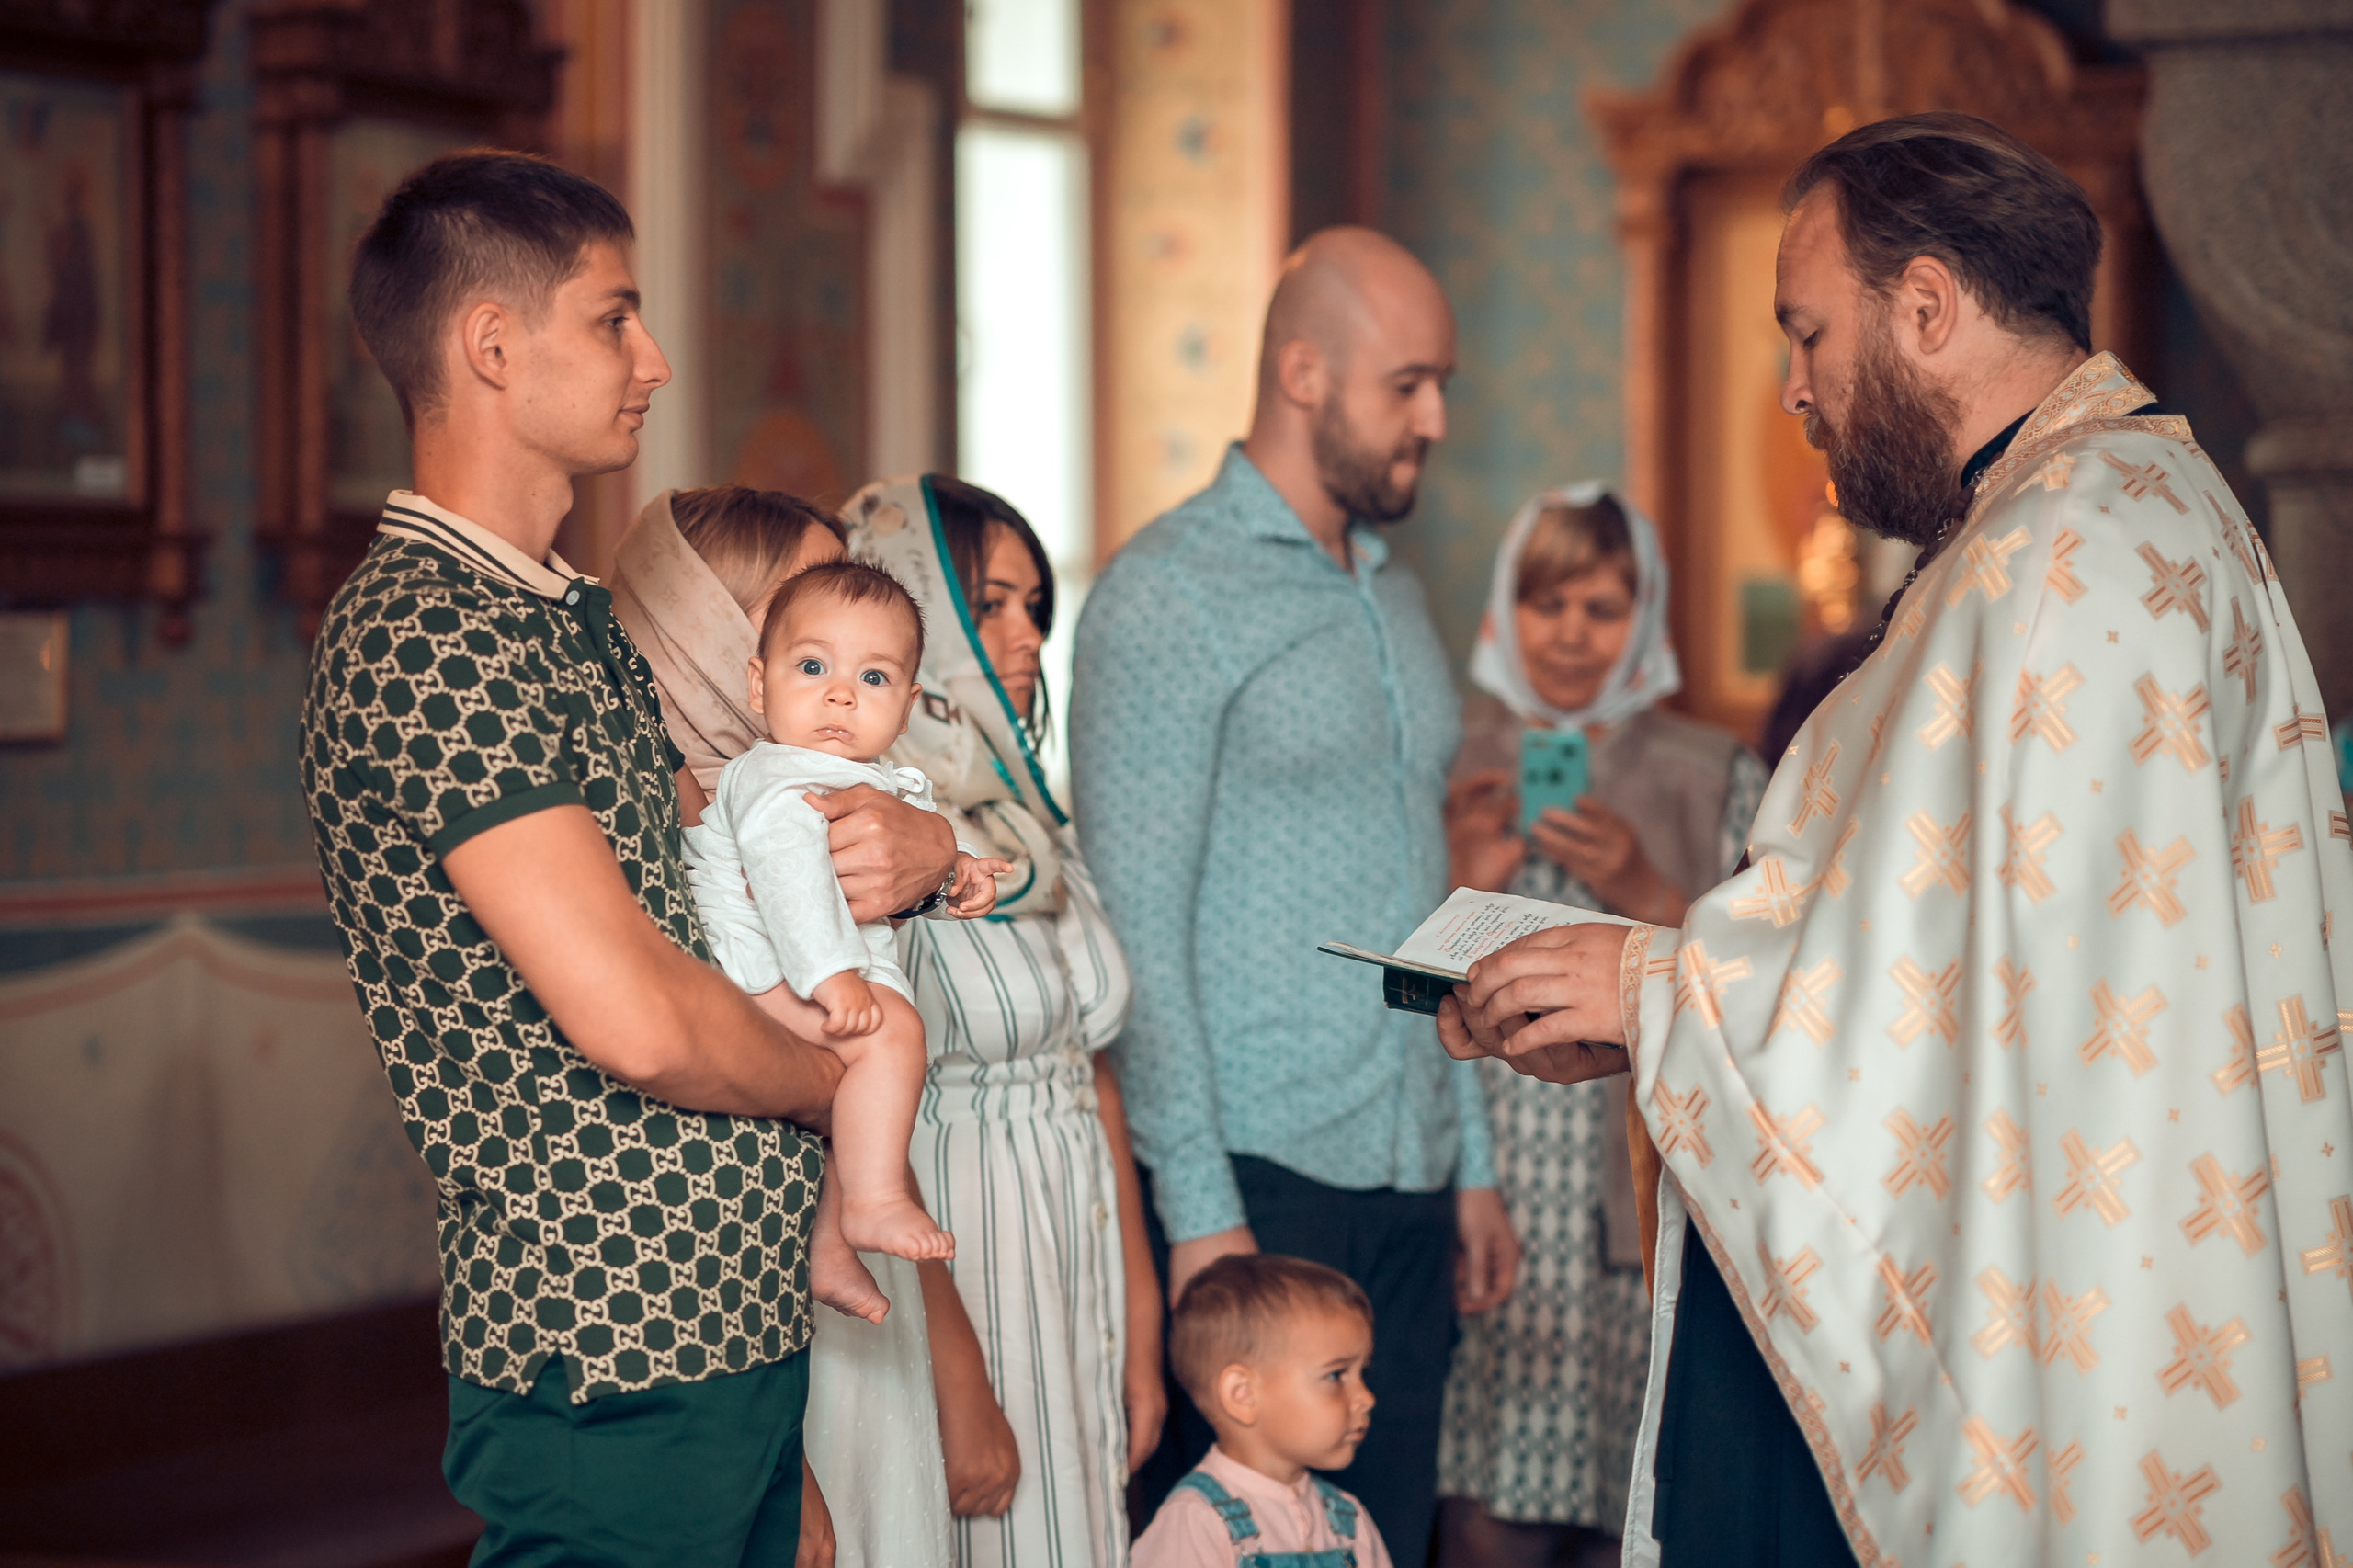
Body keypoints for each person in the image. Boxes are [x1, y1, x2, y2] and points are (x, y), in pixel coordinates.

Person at [1440, 113, 2353, 1566]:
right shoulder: (2127, 506)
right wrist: (1658, 994)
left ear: (1924, 306)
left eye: (1808, 332)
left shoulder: (2059, 555)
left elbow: (1973, 1007)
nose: (1793, 387)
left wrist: (1657, 989)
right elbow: (1977, 971)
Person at [299, 153, 956, 1563]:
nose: (653, 359)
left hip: (728, 1311)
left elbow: (730, 900)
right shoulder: (427, 630)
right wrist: (841, 1075)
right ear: (491, 344)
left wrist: (929, 838)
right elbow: (639, 1020)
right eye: (614, 318)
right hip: (608, 1320)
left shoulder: (569, 619)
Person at [1073, 224, 1519, 1562]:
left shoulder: (1394, 593)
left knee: (1387, 1540)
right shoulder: (1167, 593)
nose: (1435, 419)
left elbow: (1422, 894)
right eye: (1408, 384)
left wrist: (1470, 1160)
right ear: (1304, 372)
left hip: (1413, 1166)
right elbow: (1136, 932)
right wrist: (1203, 1211)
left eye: (1441, 385)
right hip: (1257, 1178)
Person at [609, 484, 967, 1568]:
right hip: (712, 1296)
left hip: (828, 1257)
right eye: (803, 629)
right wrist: (788, 1465)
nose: (841, 675)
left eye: (872, 662)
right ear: (719, 635)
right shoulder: (641, 802)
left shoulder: (835, 782)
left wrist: (937, 856)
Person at [1435, 487, 1765, 1566]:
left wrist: (1639, 882)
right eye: (1546, 603)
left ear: (1645, 614)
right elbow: (1401, 993)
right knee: (1489, 1510)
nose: (1571, 633)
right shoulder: (1453, 756)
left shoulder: (1711, 770)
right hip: (1494, 1196)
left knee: (1637, 1505)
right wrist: (1456, 874)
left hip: (1640, 1189)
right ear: (1506, 608)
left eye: (1602, 607)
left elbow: (1767, 981)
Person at [847, 473, 1160, 1568]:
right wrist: (957, 1375)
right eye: (989, 604)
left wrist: (1139, 1316)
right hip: (961, 1256)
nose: (1028, 633)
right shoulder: (869, 828)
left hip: (1074, 1250)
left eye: (1035, 605)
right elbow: (849, 1113)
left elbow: (1090, 1066)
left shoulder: (1025, 816)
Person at [687, 559, 1006, 1324]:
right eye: (812, 667)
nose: (840, 694)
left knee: (860, 1088)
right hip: (765, 970)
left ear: (907, 706)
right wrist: (831, 975)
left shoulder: (854, 774)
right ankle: (873, 1201)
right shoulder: (779, 777)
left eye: (873, 677)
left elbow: (884, 865)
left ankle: (830, 1250)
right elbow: (789, 877)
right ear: (758, 685)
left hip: (811, 966)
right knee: (893, 1039)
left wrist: (957, 871)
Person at [1133, 1255, 1392, 1568]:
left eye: (1363, 1372)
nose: (1366, 1398)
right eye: (1335, 1375)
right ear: (1243, 1395)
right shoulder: (1198, 1521)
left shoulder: (1348, 1522)